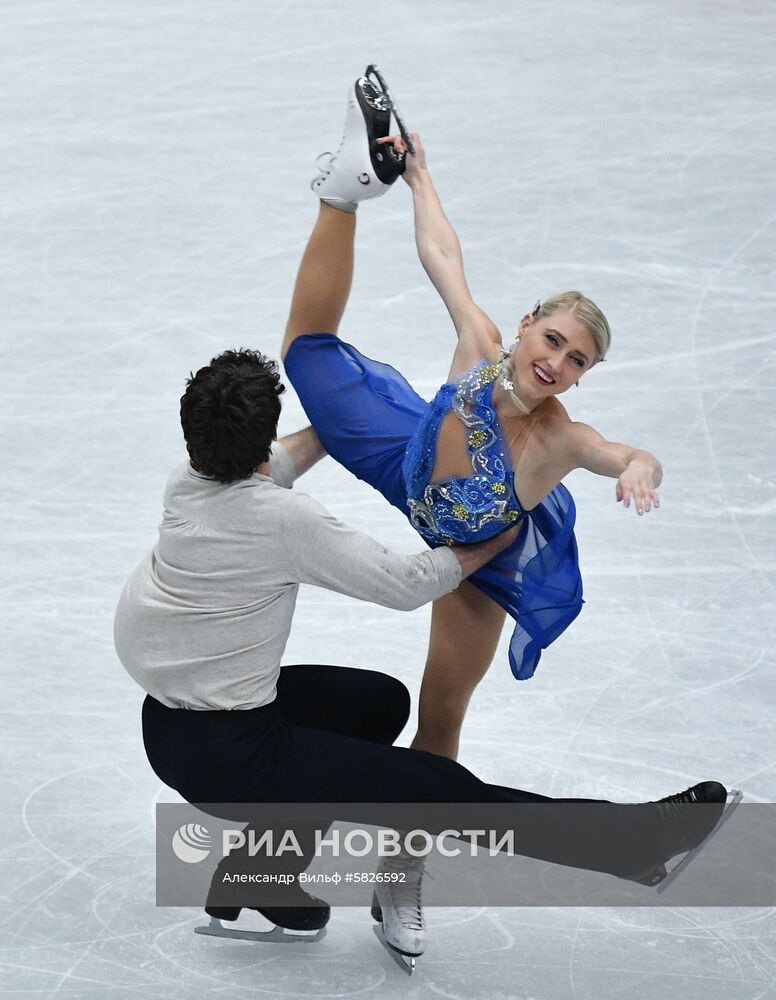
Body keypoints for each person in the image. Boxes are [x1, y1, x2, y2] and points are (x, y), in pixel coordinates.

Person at [114, 345, 729, 968]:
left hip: (170, 723)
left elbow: (273, 463)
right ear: (256, 438)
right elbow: (404, 584)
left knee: (377, 704)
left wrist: (335, 425)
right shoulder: (281, 520)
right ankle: (635, 844)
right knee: (437, 789)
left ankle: (258, 874)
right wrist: (490, 544)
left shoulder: (189, 480)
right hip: (233, 754)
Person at [281, 68, 663, 761]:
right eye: (554, 340)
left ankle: (405, 868)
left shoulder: (560, 440)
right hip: (407, 463)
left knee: (441, 713)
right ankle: (344, 191)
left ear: (579, 378)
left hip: (479, 557)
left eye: (576, 361)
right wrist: (419, 181)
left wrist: (640, 468)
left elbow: (623, 453)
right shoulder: (480, 345)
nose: (557, 362)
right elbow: (443, 256)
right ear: (526, 327)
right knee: (306, 356)